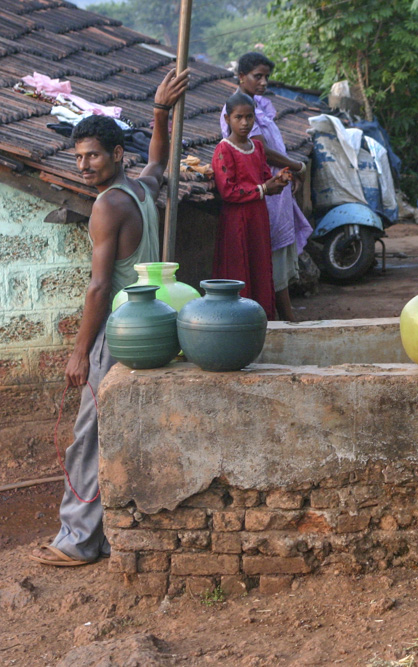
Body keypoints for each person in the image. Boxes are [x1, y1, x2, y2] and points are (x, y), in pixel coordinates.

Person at [28, 68, 190, 567]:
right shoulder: (143, 189)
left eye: (92, 155)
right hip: (156, 325)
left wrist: (80, 352)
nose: (83, 165)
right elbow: (159, 160)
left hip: (118, 332)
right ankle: (101, 534)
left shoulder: (107, 206)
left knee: (88, 436)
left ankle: (78, 541)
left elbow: (99, 286)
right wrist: (160, 112)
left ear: (117, 155)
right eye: (77, 157)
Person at [221, 52, 313, 322]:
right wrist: (296, 166)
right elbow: (263, 150)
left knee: (276, 263)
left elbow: (268, 152)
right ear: (241, 77)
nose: (263, 82)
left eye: (266, 77)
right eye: (257, 76)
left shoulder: (259, 106)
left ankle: (284, 315)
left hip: (274, 191)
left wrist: (286, 173)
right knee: (265, 262)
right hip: (258, 196)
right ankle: (276, 317)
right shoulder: (237, 114)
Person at [213, 92, 292, 320]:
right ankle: (237, 320)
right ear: (228, 119)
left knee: (259, 265)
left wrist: (280, 180)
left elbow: (265, 175)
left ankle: (261, 319)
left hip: (258, 217)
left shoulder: (256, 148)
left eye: (249, 117)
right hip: (237, 219)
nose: (245, 123)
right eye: (239, 117)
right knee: (239, 267)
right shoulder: (224, 150)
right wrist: (263, 189)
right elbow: (228, 191)